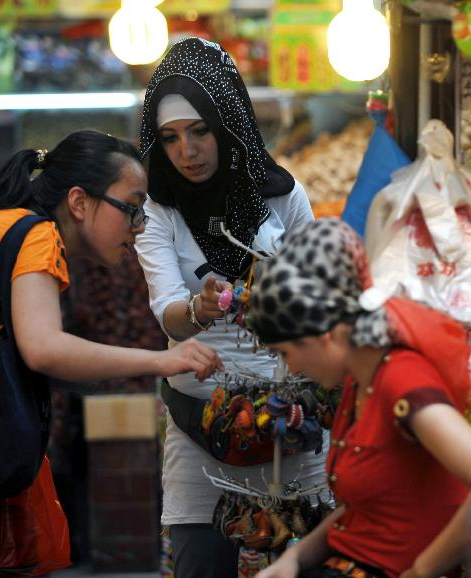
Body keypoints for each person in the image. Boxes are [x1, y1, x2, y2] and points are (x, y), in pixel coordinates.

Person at [0, 129, 222, 578]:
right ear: (80, 202)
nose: (139, 228)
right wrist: (163, 359)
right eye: (132, 209)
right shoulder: (35, 234)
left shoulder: (5, 225)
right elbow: (45, 349)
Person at [135, 37, 326, 578]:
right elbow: (167, 309)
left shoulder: (283, 197)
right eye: (170, 138)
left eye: (200, 132)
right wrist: (199, 309)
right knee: (199, 562)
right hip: (202, 425)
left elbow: (320, 296)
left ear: (228, 124)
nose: (186, 152)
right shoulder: (158, 210)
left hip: (293, 421)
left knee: (306, 560)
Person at [249, 219, 471, 578]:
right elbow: (369, 508)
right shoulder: (360, 383)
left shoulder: (403, 383)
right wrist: (294, 561)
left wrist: (421, 572)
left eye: (286, 352)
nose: (293, 366)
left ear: (325, 336)